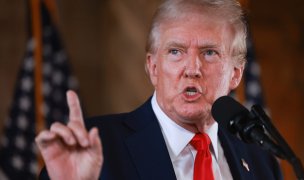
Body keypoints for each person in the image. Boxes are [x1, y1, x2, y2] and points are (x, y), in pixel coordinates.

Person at [35, 0, 283, 179]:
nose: (192, 68)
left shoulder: (260, 160)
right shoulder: (99, 147)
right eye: (176, 52)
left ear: (236, 74)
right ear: (153, 67)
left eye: (209, 53)